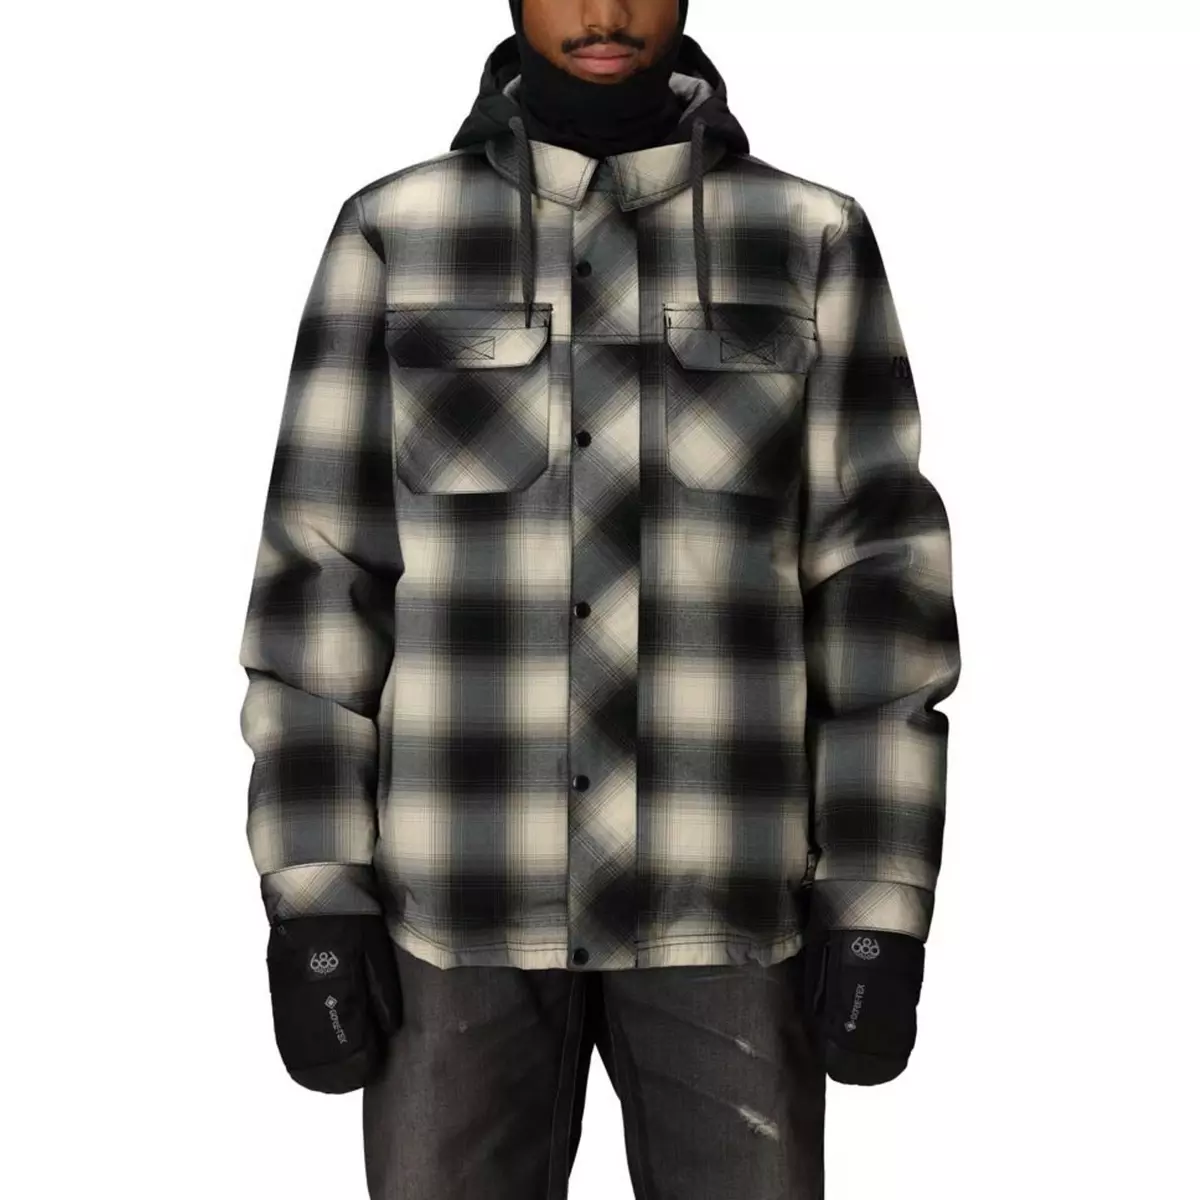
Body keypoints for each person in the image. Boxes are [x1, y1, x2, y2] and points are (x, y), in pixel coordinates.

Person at [236, 2, 962, 1196]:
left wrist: (880, 903)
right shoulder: (393, 236)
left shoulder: (810, 238)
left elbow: (880, 591)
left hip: (732, 911)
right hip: (451, 917)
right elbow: (318, 577)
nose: (607, 12)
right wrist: (315, 896)